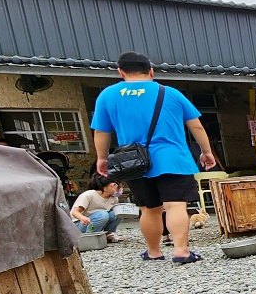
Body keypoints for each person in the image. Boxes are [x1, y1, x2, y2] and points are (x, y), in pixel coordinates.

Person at [92, 51, 217, 264]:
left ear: (120, 72)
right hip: (173, 159)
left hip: (134, 162)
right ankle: (181, 251)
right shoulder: (170, 93)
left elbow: (102, 131)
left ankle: (154, 251)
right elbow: (195, 125)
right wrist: (207, 152)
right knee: (176, 205)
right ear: (151, 71)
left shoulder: (108, 96)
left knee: (149, 209)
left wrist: (102, 158)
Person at [70, 174, 122, 241]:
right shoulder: (89, 195)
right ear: (108, 186)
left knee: (117, 212)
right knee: (103, 215)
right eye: (116, 186)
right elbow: (75, 212)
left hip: (95, 222)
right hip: (80, 224)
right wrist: (82, 218)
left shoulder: (114, 198)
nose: (119, 189)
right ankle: (90, 237)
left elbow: (113, 216)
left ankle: (109, 234)